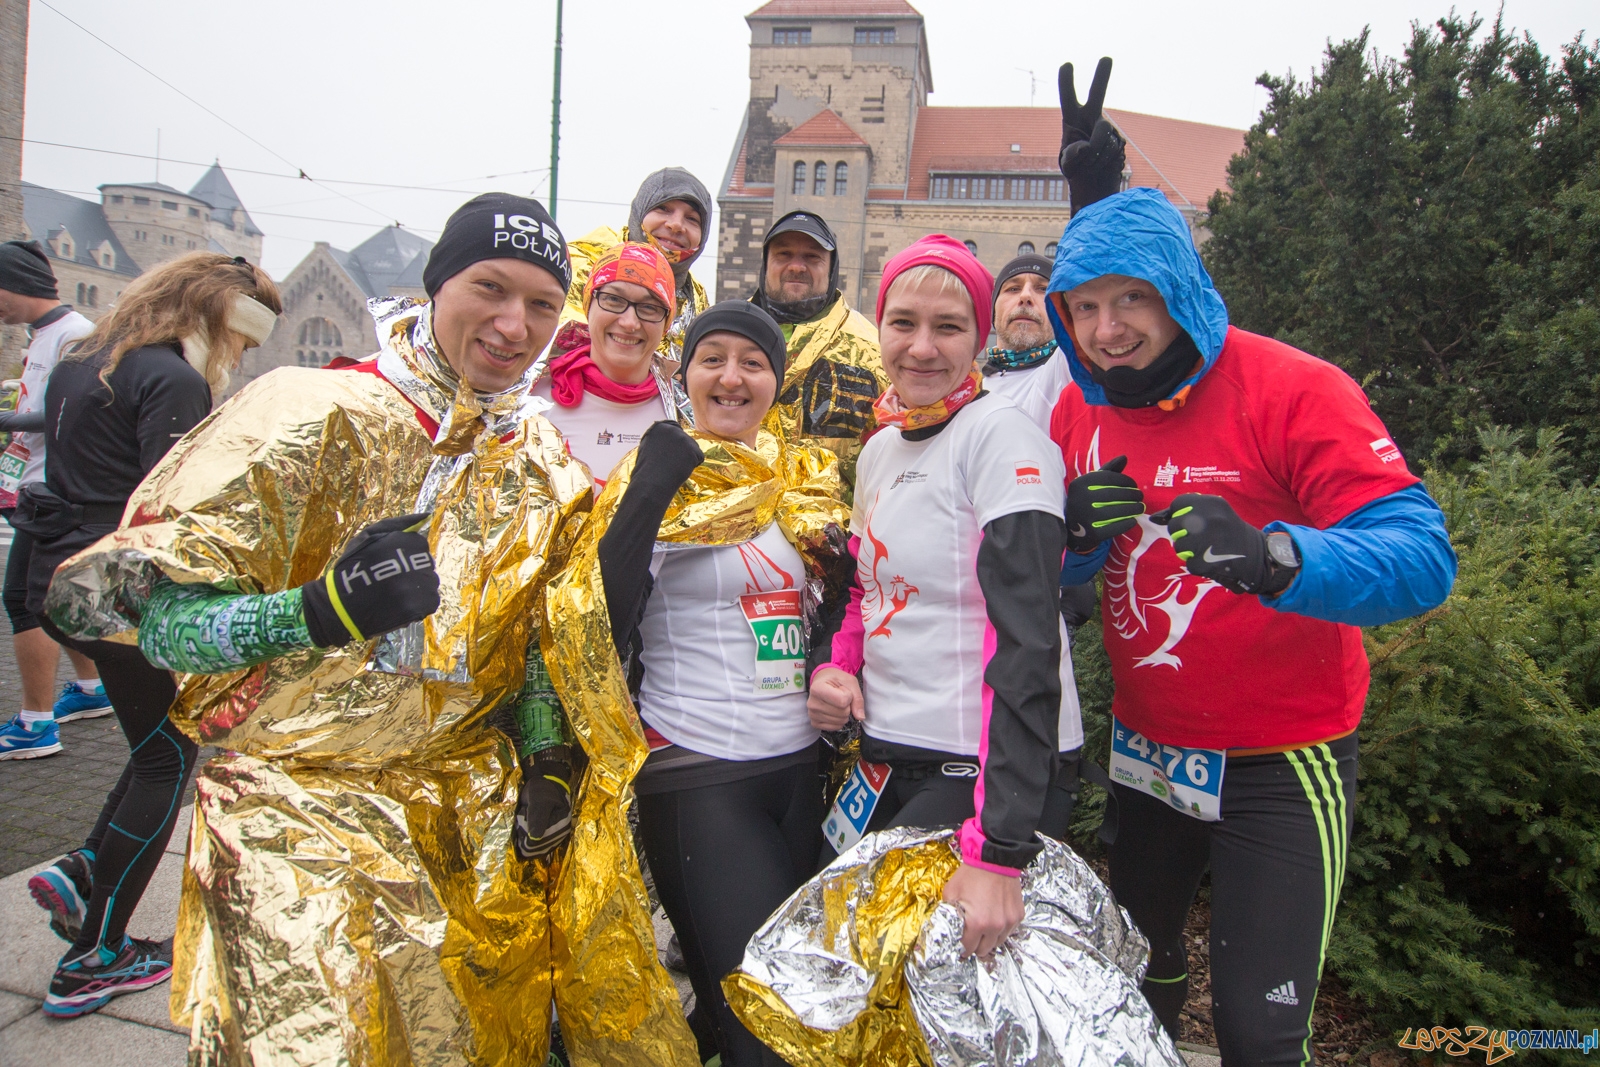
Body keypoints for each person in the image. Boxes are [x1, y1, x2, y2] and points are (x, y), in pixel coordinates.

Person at [43, 195, 698, 1064]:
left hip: (472, 824)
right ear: (435, 286)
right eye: (489, 288)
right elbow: (153, 619)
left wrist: (543, 749)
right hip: (299, 817)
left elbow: (544, 637)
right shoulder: (309, 411)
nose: (514, 324)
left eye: (542, 304)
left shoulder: (543, 469)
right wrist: (317, 611)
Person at [1047, 187, 1457, 1064]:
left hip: (1283, 758)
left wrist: (1279, 557)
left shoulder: (1293, 387)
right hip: (1149, 751)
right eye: (1084, 307)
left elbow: (1423, 558)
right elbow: (1054, 580)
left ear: (1179, 289)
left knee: (1259, 1028)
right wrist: (1073, 542)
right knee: (1129, 988)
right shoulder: (1079, 406)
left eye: (1131, 299)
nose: (1107, 330)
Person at [12, 252, 281, 1015]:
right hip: (121, 593)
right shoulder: (170, 377)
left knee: (148, 744)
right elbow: (178, 510)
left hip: (67, 577)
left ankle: (87, 867)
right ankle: (95, 952)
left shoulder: (88, 360)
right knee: (169, 756)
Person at [584, 302, 850, 1067]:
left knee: (796, 1012)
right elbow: (595, 615)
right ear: (684, 373)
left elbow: (839, 608)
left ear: (776, 383)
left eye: (753, 362)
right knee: (757, 1032)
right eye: (713, 359)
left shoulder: (800, 478)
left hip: (799, 771)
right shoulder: (657, 468)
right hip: (699, 774)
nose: (732, 376)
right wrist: (648, 493)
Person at [807, 236, 1084, 961]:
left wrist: (997, 849)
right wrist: (836, 670)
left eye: (949, 327)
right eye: (903, 323)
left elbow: (1027, 643)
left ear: (980, 336)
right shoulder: (881, 447)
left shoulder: (1000, 435)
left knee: (887, 981)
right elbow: (868, 589)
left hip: (981, 768)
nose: (922, 347)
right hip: (891, 751)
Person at [0, 240, 109, 763]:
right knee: (52, 597)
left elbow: (71, 412)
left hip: (54, 486)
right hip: (36, 482)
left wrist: (10, 421)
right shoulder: (43, 335)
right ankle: (91, 690)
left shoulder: (75, 336)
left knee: (24, 600)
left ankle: (35, 723)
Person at [749, 211, 888, 495]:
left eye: (812, 257)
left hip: (836, 528)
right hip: (736, 524)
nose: (797, 266)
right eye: (784, 254)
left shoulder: (872, 348)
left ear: (831, 267)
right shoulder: (725, 335)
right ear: (765, 265)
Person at [531, 242, 678, 486]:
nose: (630, 322)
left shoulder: (683, 414)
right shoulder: (534, 401)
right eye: (613, 299)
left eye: (650, 307)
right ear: (588, 306)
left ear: (666, 324)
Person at [555, 167, 713, 378]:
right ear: (640, 211)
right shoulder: (586, 262)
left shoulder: (695, 294)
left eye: (692, 219)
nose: (676, 225)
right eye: (663, 208)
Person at [981, 253, 1074, 432]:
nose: (1025, 296)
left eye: (1042, 289)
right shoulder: (969, 390)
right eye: (1013, 289)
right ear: (993, 309)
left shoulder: (1064, 369)